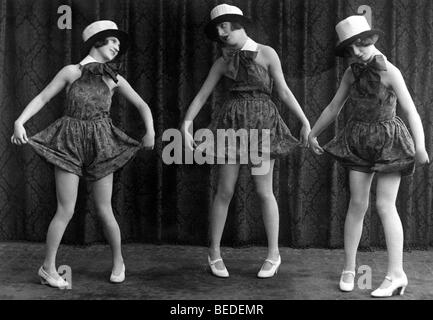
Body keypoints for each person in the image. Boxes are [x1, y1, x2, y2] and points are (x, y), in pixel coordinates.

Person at [11, 20, 155, 288]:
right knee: (65, 209)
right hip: (69, 142)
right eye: (112, 41)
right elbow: (43, 98)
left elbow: (142, 105)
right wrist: (20, 121)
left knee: (104, 209)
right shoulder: (71, 72)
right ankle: (48, 268)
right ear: (98, 41)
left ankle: (118, 261)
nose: (117, 46)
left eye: (118, 43)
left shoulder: (113, 78)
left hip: (102, 143)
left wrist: (151, 132)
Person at [181, 4, 310, 278]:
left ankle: (274, 254)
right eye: (217, 28)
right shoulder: (223, 61)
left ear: (237, 23)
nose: (220, 32)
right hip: (232, 127)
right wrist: (186, 122)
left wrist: (304, 120)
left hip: (263, 127)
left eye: (224, 25)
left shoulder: (267, 53)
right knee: (224, 191)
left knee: (264, 191)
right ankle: (213, 252)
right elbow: (203, 94)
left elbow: (284, 91)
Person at [308, 15, 429, 297]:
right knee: (357, 203)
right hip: (359, 140)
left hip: (389, 141)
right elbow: (333, 107)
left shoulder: (390, 71)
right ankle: (349, 268)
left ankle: (396, 274)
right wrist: (313, 133)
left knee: (385, 205)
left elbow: (410, 110)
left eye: (360, 46)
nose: (357, 53)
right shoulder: (352, 72)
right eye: (350, 50)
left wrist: (420, 146)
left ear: (370, 40)